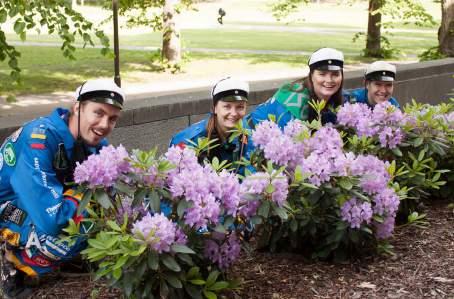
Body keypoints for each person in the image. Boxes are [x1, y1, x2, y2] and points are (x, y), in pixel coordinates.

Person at [0, 79, 125, 298]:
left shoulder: (95, 144)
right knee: (64, 228)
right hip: (7, 207)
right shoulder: (39, 138)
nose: (105, 124)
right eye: (98, 113)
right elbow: (51, 220)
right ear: (77, 107)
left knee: (98, 207)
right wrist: (85, 195)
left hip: (41, 203)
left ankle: (69, 258)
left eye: (112, 118)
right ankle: (12, 262)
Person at [246, 47, 346, 128]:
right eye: (322, 74)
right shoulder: (294, 100)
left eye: (335, 74)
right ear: (311, 76)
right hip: (247, 138)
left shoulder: (333, 99)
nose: (329, 80)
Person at [170, 77, 252, 174]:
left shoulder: (246, 132)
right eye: (227, 106)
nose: (234, 113)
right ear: (214, 108)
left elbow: (250, 171)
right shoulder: (188, 141)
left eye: (240, 107)